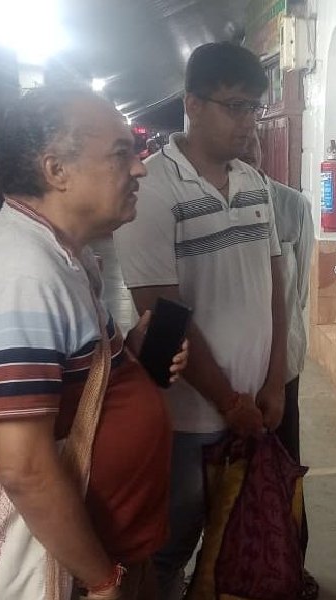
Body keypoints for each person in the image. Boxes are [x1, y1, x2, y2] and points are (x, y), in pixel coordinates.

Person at [0, 87, 188, 600]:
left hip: (103, 553)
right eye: (122, 154)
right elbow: (25, 466)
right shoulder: (21, 273)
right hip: (71, 570)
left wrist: (129, 360)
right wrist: (101, 581)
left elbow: (73, 391)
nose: (140, 169)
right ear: (57, 170)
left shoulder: (54, 254)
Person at [113, 42, 287, 600]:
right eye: (235, 106)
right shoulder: (153, 190)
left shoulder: (254, 181)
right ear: (192, 103)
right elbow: (161, 315)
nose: (247, 121)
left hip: (255, 406)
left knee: (233, 541)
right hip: (188, 419)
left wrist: (275, 379)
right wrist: (230, 403)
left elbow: (276, 285)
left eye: (254, 108)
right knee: (170, 549)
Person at [239, 133, 317, 597]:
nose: (248, 156)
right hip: (224, 376)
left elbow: (299, 290)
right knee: (225, 472)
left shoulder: (290, 206)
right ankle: (230, 567)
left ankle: (291, 567)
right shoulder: (203, 210)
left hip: (281, 370)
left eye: (253, 147)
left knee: (283, 467)